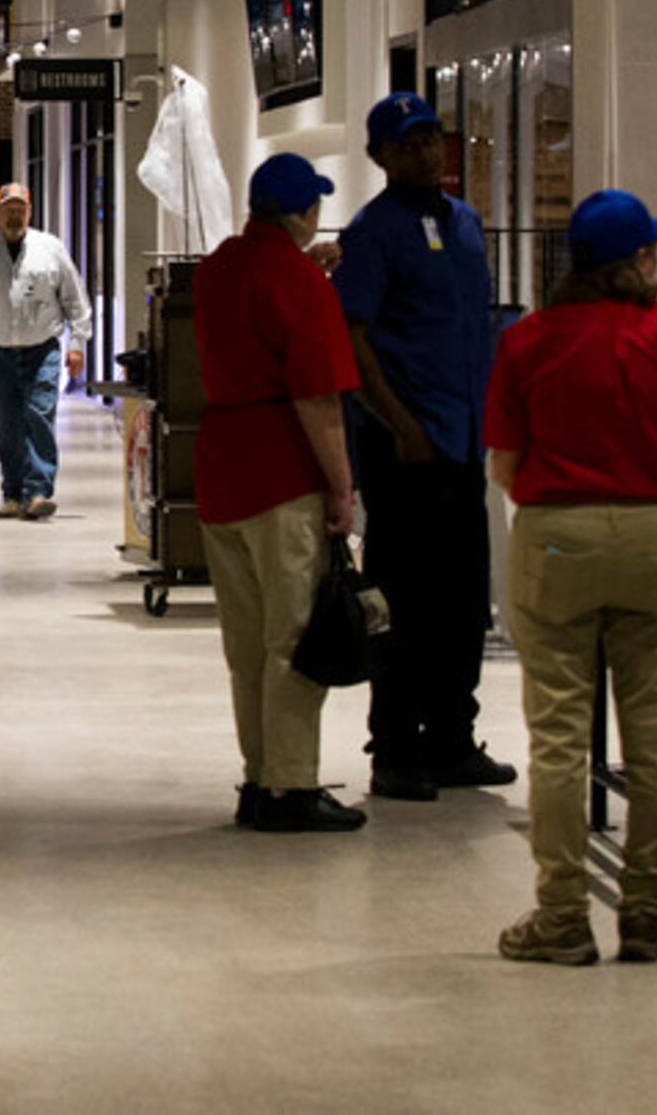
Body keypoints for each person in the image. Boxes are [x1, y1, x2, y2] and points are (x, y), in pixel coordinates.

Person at [484, 191, 657, 965]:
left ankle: (561, 916)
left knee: (557, 734)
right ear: (640, 262)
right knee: (654, 733)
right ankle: (647, 911)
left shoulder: (529, 341)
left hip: (559, 534)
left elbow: (505, 465)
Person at [333, 93, 517, 803]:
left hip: (464, 441)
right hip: (407, 449)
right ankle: (396, 746)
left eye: (432, 138)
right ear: (380, 157)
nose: (425, 152)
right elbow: (354, 339)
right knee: (404, 600)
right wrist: (397, 422)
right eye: (407, 143)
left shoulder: (465, 222)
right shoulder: (375, 233)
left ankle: (451, 738)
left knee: (465, 598)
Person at [191, 153, 365, 833]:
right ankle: (292, 786)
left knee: (245, 641)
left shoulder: (218, 269)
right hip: (282, 474)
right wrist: (342, 489)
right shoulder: (302, 282)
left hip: (221, 471)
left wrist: (304, 268)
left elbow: (254, 306)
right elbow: (318, 399)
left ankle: (259, 777)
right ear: (304, 213)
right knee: (292, 637)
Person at [0, 182, 91, 520]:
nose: (14, 215)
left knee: (39, 417)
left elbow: (75, 299)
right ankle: (12, 492)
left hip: (43, 350)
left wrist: (77, 343)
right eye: (7, 209)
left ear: (29, 212)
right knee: (8, 424)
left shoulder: (50, 249)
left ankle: (39, 490)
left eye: (20, 209)